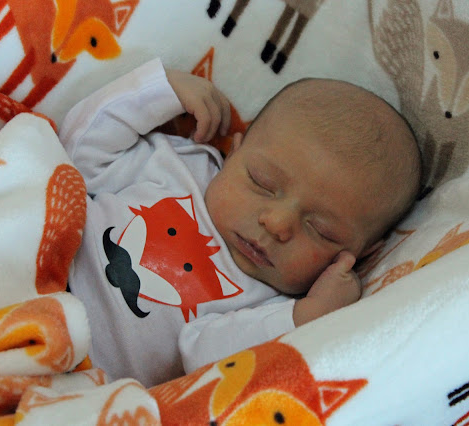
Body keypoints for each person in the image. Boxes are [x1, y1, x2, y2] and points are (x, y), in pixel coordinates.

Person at [59, 58, 421, 387]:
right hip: (41, 263)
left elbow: (202, 359)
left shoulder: (274, 307)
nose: (277, 223)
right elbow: (79, 157)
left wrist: (306, 319)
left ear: (359, 254)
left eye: (320, 230)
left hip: (79, 382)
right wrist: (161, 90)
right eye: (263, 183)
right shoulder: (181, 168)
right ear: (234, 151)